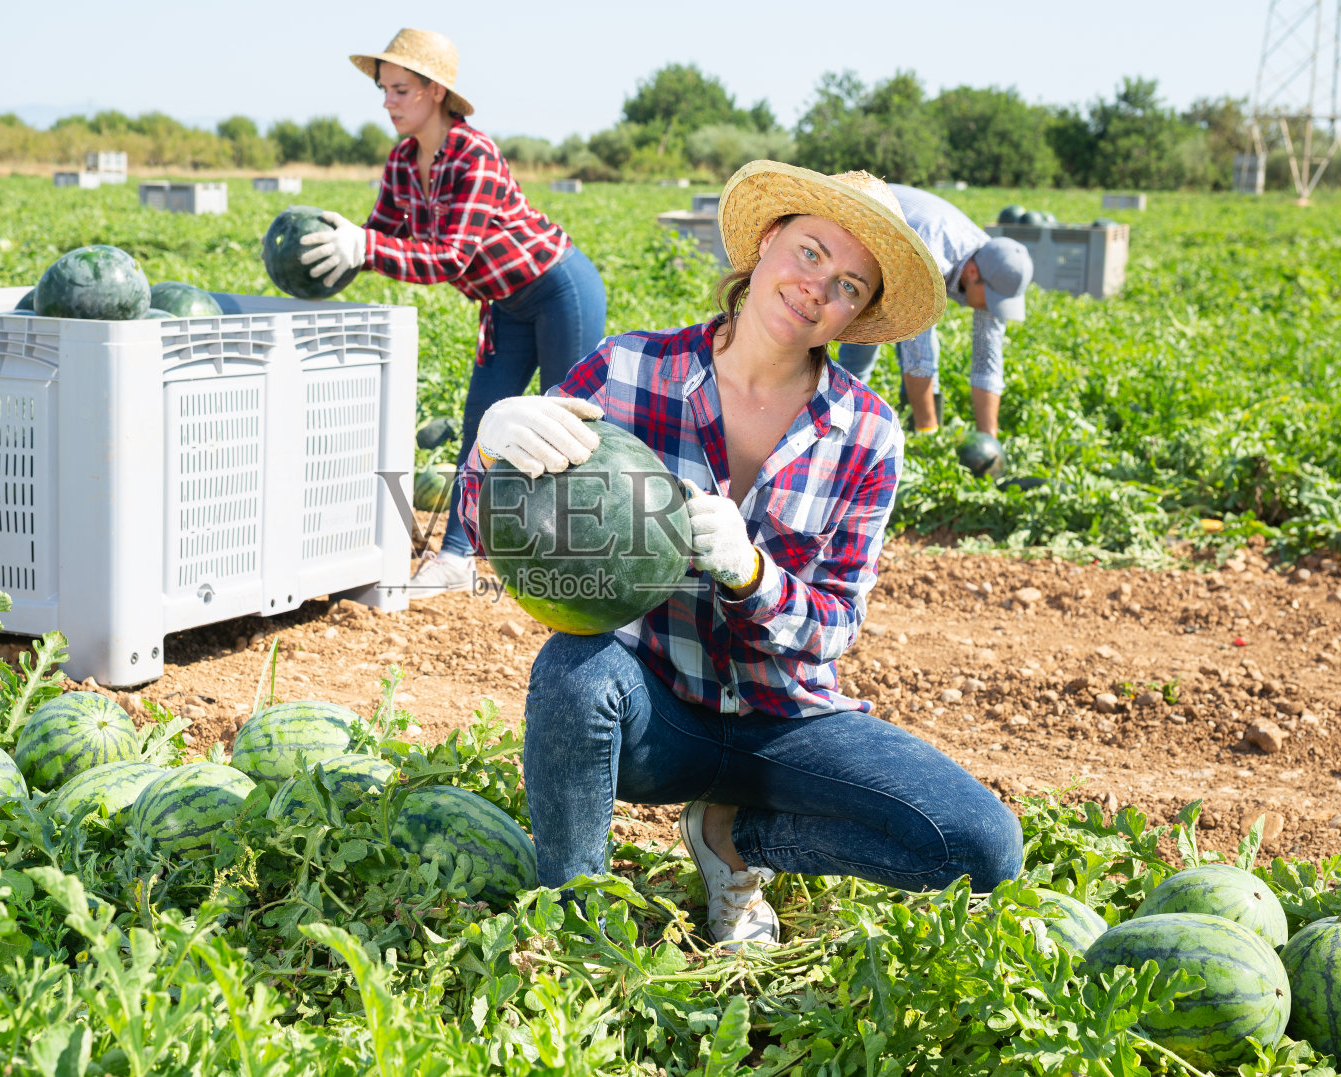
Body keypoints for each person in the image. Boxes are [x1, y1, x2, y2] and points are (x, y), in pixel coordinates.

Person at [456, 162, 1023, 947]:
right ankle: (576, 921)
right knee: (572, 670)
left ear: (857, 313)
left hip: (785, 726)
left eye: (850, 285)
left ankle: (734, 836)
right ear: (766, 242)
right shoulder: (628, 370)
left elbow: (836, 622)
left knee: (982, 846)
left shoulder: (868, 432)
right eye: (811, 252)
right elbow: (487, 524)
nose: (818, 288)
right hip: (655, 715)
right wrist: (491, 451)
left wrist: (754, 576)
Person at [298, 27, 606, 596]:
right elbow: (381, 234)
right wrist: (335, 253)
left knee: (567, 425)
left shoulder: (473, 154)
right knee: (483, 422)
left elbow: (451, 257)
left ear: (435, 91)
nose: (387, 103)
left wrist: (366, 247)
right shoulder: (401, 161)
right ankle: (457, 559)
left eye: (400, 90)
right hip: (505, 303)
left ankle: (582, 558)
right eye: (384, 90)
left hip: (558, 289)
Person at [833, 184, 1031, 436]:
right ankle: (839, 415)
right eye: (992, 298)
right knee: (866, 338)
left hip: (907, 249)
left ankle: (908, 420)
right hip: (863, 227)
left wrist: (988, 438)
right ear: (972, 273)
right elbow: (919, 356)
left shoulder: (993, 267)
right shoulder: (933, 260)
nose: (993, 306)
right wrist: (929, 435)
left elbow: (987, 360)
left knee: (914, 341)